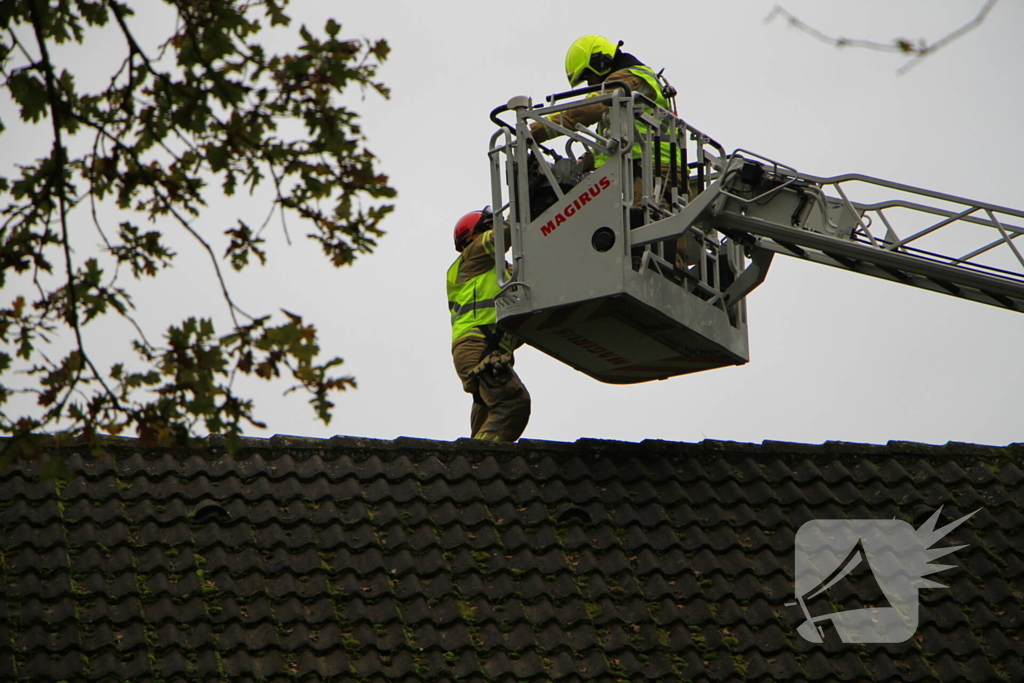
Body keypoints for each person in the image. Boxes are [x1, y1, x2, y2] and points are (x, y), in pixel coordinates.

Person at [447, 208, 530, 442]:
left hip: (484, 349)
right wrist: (522, 205)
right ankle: (482, 459)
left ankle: (475, 460)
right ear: (475, 236)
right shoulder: (472, 256)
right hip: (478, 347)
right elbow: (505, 234)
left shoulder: (498, 272)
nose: (495, 229)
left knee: (488, 421)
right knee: (512, 403)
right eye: (490, 226)